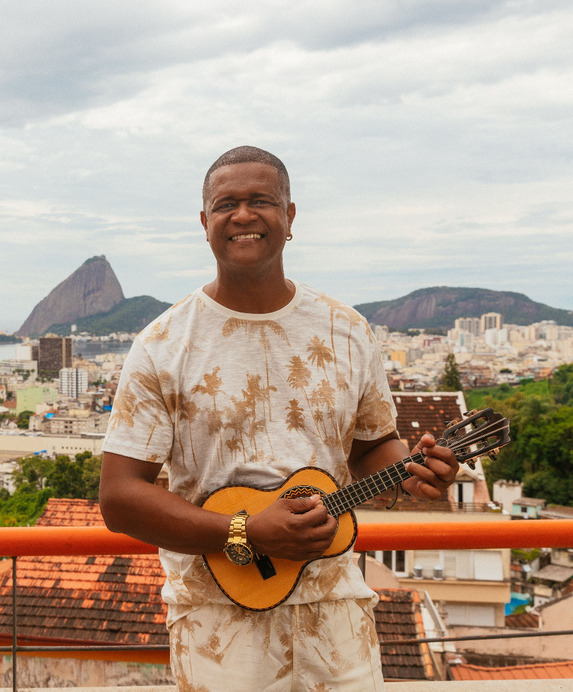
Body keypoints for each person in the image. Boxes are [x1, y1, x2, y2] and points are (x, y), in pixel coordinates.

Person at [99, 145, 458, 690]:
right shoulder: (162, 344)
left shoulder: (346, 330)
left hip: (337, 613)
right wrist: (244, 531)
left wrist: (412, 470)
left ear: (289, 217)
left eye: (261, 201)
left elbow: (372, 448)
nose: (243, 215)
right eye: (226, 204)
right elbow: (120, 496)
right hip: (217, 621)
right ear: (204, 222)